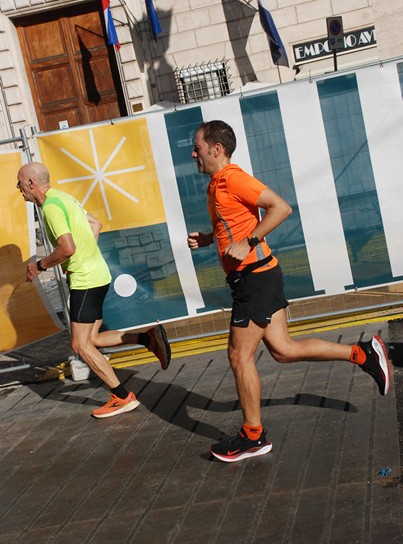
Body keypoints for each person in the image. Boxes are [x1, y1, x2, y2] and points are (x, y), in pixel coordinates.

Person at [187, 120, 390, 463]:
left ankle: (253, 435)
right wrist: (211, 239)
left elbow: (281, 208)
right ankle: (363, 354)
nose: (194, 153)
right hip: (255, 277)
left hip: (256, 279)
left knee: (239, 356)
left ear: (216, 149)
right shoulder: (216, 184)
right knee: (283, 349)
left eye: (198, 147)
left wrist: (248, 241)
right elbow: (234, 222)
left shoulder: (234, 177)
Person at [17, 162, 171, 419]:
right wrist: (84, 257)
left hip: (85, 281)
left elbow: (67, 248)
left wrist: (40, 266)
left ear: (31, 183)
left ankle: (122, 396)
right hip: (98, 274)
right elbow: (95, 224)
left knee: (79, 345)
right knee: (93, 339)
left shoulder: (50, 208)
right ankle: (148, 338)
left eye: (20, 184)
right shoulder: (64, 198)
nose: (19, 189)